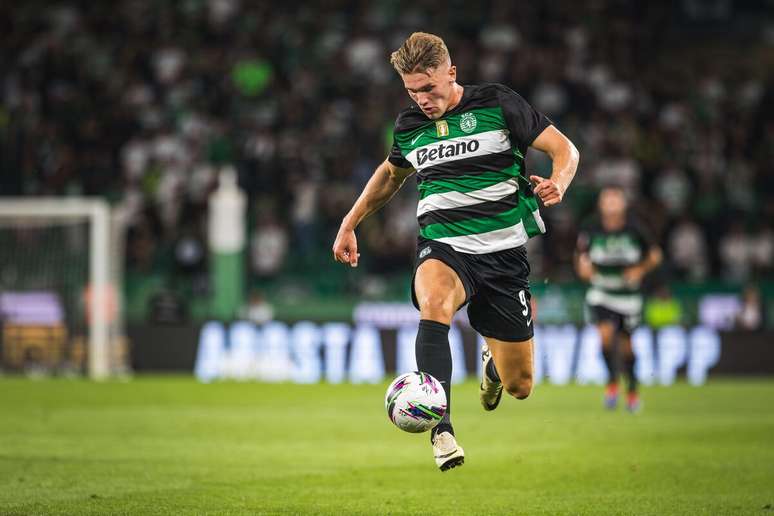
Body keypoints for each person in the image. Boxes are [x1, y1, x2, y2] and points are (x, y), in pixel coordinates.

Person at [332, 32, 579, 471]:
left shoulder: (497, 104)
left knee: (520, 384)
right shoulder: (409, 127)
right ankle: (442, 429)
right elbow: (390, 176)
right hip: (444, 244)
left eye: (429, 88)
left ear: (451, 73)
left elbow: (565, 149)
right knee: (435, 302)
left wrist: (557, 181)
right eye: (412, 91)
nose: (422, 99)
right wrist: (350, 222)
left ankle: (493, 367)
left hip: (504, 257)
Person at [575, 187, 662, 413]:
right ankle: (612, 382)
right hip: (601, 291)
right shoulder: (591, 227)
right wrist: (583, 268)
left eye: (615, 199)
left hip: (628, 296)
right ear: (600, 204)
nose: (611, 203)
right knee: (604, 338)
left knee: (626, 347)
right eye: (607, 199)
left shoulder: (636, 228)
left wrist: (640, 270)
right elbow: (581, 255)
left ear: (624, 203)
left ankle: (632, 390)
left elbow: (655, 255)